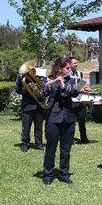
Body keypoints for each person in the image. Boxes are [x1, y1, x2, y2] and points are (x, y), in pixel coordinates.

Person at [40, 57, 86, 185]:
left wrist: (63, 85)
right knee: (51, 148)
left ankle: (64, 173)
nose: (70, 70)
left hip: (69, 117)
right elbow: (40, 96)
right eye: (67, 68)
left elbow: (74, 93)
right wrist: (46, 88)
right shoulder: (49, 79)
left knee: (66, 149)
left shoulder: (71, 80)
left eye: (70, 68)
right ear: (59, 69)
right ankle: (47, 174)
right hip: (53, 118)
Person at [15, 70, 45, 152]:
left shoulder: (39, 75)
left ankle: (38, 144)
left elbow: (43, 87)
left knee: (39, 127)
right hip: (27, 106)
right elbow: (17, 90)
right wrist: (26, 88)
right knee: (26, 127)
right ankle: (25, 144)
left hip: (39, 106)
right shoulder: (21, 78)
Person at [69, 57, 90, 143]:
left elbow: (80, 85)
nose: (76, 64)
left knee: (82, 120)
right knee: (71, 121)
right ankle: (70, 138)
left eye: (77, 63)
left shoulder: (79, 73)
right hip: (71, 100)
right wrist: (77, 90)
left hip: (79, 99)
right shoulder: (66, 74)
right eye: (75, 63)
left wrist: (84, 89)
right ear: (69, 64)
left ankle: (84, 138)